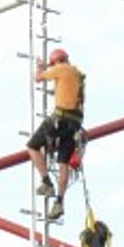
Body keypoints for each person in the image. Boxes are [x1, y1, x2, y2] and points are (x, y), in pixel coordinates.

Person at [27, 47, 85, 223]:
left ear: (55, 62)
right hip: (75, 124)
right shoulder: (78, 74)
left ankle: (47, 183)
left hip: (60, 118)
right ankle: (59, 202)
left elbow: (38, 79)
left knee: (33, 146)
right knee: (63, 163)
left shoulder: (60, 69)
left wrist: (40, 66)